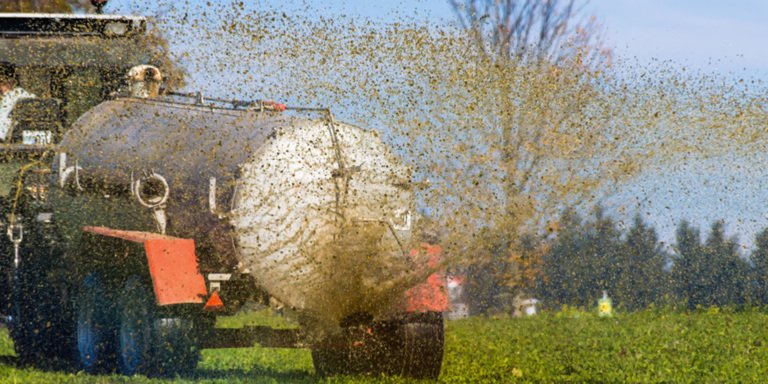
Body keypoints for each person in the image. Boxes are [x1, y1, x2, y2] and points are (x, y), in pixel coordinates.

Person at [0, 77, 35, 141]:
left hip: (9, 129)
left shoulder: (7, 96)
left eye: (2, 85)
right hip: (26, 120)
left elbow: (3, 114)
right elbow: (36, 98)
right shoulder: (23, 92)